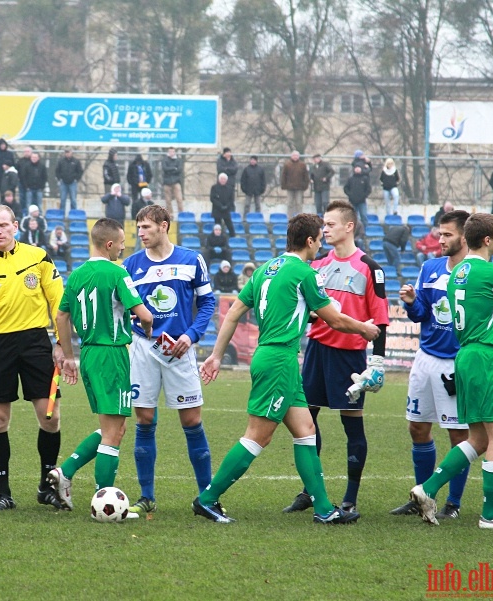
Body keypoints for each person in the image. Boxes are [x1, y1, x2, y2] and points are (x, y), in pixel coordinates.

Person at [194, 213, 379, 524]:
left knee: (306, 432)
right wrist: (364, 329)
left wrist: (215, 354)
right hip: (279, 360)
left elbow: (234, 313)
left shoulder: (266, 268)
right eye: (319, 238)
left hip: (277, 359)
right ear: (309, 241)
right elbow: (332, 319)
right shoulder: (303, 272)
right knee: (257, 436)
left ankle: (323, 509)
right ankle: (207, 499)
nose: (321, 243)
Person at [409, 213, 493, 530]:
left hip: (466, 356)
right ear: (487, 239)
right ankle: (492, 515)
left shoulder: (457, 272)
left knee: (478, 438)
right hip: (484, 358)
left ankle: (427, 489)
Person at [283, 200, 389, 516]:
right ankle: (310, 492)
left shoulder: (370, 268)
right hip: (316, 352)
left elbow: (380, 319)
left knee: (351, 427)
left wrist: (378, 362)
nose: (324, 229)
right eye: (323, 225)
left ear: (349, 226)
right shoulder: (315, 266)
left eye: (330, 224)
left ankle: (350, 498)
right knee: (306, 422)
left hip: (349, 358)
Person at [46, 218, 154, 510]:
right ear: (109, 244)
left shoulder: (78, 274)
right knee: (112, 432)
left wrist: (69, 356)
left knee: (114, 428)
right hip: (112, 355)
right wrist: (147, 328)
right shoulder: (117, 273)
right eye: (121, 243)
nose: (123, 248)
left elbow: (61, 317)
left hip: (90, 354)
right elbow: (144, 315)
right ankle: (104, 499)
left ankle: (64, 472)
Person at [121, 204, 216, 515]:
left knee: (191, 420)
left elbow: (207, 303)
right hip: (144, 348)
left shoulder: (191, 260)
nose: (141, 233)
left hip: (180, 349)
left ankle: (207, 496)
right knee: (144, 420)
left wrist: (190, 335)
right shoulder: (130, 265)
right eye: (138, 228)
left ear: (164, 226)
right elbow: (125, 309)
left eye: (147, 227)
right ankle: (146, 495)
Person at [0, 205, 65, 510]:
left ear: (15, 226)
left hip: (36, 343)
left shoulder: (38, 257)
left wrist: (62, 343)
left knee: (50, 418)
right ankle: (3, 492)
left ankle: (45, 486)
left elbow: (58, 303)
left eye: (2, 225)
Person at [389, 210, 472, 520]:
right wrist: (412, 301)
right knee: (418, 428)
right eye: (440, 234)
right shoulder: (430, 267)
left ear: (464, 238)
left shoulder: (476, 272)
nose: (440, 240)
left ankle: (453, 503)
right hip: (424, 360)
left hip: (455, 363)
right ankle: (421, 496)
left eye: (447, 235)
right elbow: (422, 313)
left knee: (458, 435)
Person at [280, 151, 309, 216]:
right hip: (290, 187)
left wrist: (305, 186)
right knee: (290, 203)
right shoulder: (287, 164)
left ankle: (300, 218)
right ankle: (290, 218)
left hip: (299, 187)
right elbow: (284, 175)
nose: (295, 157)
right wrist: (283, 185)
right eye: (294, 155)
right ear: (291, 156)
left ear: (298, 156)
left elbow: (306, 176)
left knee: (299, 203)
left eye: (296, 155)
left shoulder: (302, 165)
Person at [55, 148, 83, 214]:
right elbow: (57, 171)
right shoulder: (61, 161)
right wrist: (59, 179)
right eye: (66, 152)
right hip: (63, 183)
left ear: (71, 152)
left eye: (68, 152)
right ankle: (61, 215)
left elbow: (80, 171)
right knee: (62, 199)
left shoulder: (76, 161)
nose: (67, 154)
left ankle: (73, 214)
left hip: (73, 183)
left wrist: (76, 179)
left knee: (73, 200)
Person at [210, 173, 236, 237]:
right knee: (217, 226)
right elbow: (212, 198)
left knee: (230, 225)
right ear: (219, 179)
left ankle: (233, 237)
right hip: (217, 210)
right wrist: (220, 206)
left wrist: (226, 206)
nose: (223, 180)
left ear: (226, 180)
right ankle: (217, 239)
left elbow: (231, 200)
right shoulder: (214, 187)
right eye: (221, 179)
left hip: (226, 210)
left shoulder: (230, 188)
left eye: (224, 179)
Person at [161, 147, 184, 215]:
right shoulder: (165, 160)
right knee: (168, 201)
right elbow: (165, 169)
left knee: (179, 199)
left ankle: (181, 214)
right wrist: (174, 168)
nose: (171, 153)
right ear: (168, 152)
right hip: (167, 182)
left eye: (173, 151)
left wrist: (170, 170)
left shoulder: (178, 160)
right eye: (170, 151)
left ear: (174, 152)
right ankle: (170, 215)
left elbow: (179, 170)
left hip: (176, 182)